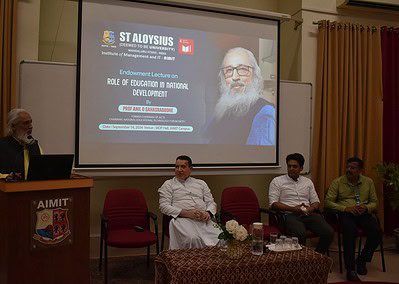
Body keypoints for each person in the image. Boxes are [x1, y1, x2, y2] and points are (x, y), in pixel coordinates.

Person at [325, 157, 382, 282]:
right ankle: (350, 269)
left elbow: (374, 203)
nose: (348, 170)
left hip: (362, 212)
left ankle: (361, 260)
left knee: (376, 232)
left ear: (360, 170)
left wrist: (366, 207)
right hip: (346, 213)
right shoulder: (338, 182)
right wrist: (345, 208)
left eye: (353, 168)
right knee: (350, 231)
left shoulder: (368, 182)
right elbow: (328, 202)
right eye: (348, 167)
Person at [205, 47, 276, 145]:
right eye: (229, 70)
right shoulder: (223, 110)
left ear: (255, 74)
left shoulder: (265, 112)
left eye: (242, 69)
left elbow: (258, 157)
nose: (235, 77)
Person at [268, 153, 334, 254]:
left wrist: (309, 209)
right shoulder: (277, 181)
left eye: (295, 166)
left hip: (308, 213)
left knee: (329, 232)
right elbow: (274, 204)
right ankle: (301, 261)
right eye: (289, 166)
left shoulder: (307, 182)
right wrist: (294, 209)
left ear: (301, 168)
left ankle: (316, 257)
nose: (291, 168)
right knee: (300, 233)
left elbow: (316, 202)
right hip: (289, 214)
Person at [158, 155, 221, 249]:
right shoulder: (168, 184)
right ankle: (191, 263)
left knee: (221, 237)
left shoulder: (201, 183)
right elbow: (163, 206)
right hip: (182, 220)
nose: (179, 169)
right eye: (177, 167)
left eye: (183, 167)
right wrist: (187, 213)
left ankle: (215, 263)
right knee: (193, 239)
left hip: (203, 220)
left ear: (190, 169)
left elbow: (211, 203)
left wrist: (208, 213)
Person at [0, 109, 42, 180]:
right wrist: (6, 176)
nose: (30, 126)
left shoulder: (34, 145)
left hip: (32, 188)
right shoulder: (2, 145)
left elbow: (43, 168)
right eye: (26, 123)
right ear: (13, 126)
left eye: (31, 123)